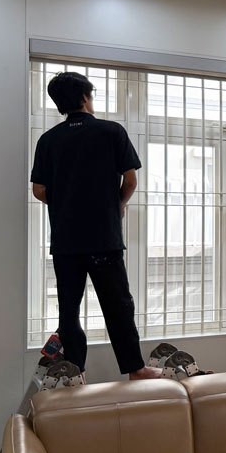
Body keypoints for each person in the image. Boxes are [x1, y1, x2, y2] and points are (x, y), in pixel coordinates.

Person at [30, 71, 161, 380]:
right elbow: (131, 180)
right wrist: (117, 206)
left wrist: (66, 204)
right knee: (118, 307)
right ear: (85, 97)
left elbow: (38, 190)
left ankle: (76, 374)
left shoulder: (48, 140)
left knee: (69, 311)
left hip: (66, 242)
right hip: (104, 239)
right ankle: (135, 369)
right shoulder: (111, 131)